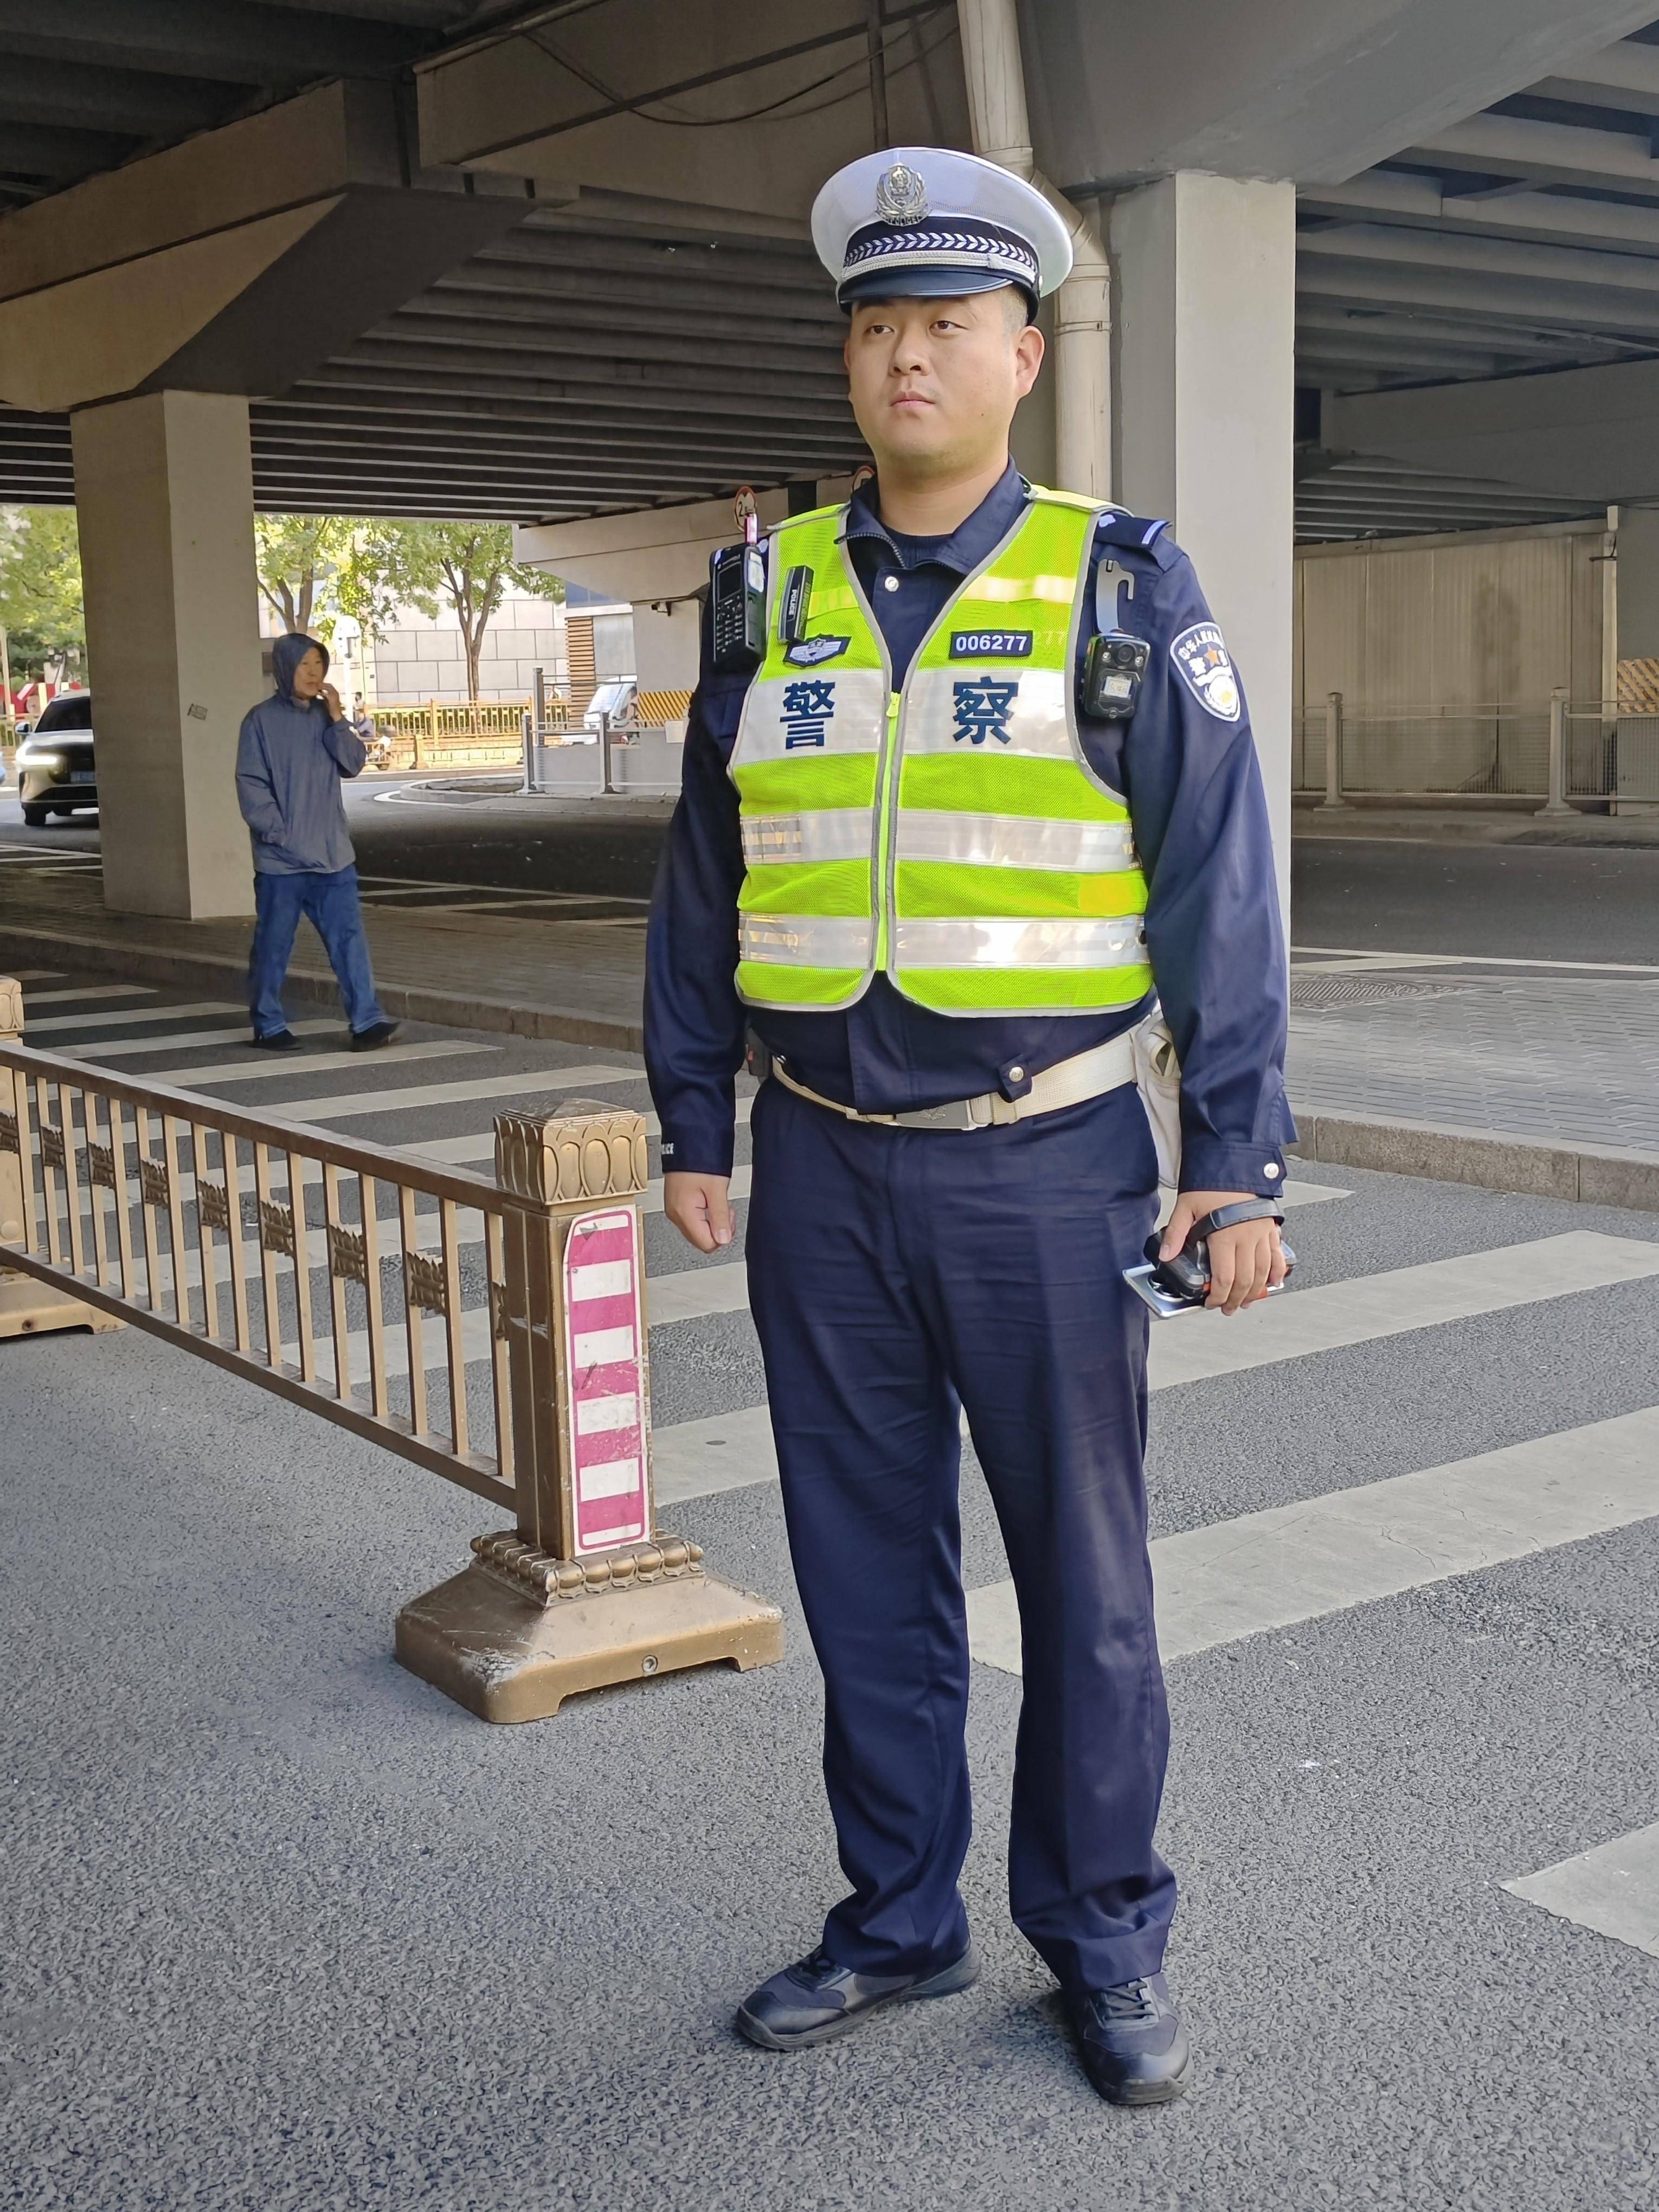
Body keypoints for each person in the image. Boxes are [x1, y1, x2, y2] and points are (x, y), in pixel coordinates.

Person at [645, 146, 1293, 2106]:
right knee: (861, 1565)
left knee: (1087, 1579)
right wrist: (695, 1113)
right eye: (877, 320)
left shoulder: (1118, 580)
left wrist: (1237, 1161)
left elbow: (1218, 882)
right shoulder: (770, 595)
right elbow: (706, 871)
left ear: (1024, 350)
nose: (907, 352)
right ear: (850, 355)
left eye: (947, 321)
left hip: (1049, 1162)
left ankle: (1102, 1928)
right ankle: (898, 1909)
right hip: (822, 1157)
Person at [236, 632, 398, 1052]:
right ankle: (268, 1023)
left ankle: (367, 1020)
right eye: (305, 665)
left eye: (319, 665)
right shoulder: (259, 721)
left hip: (333, 857)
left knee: (349, 941)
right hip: (282, 863)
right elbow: (251, 785)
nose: (314, 673)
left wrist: (338, 717)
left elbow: (354, 765)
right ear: (285, 668)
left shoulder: (327, 720)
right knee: (274, 945)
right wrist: (279, 834)